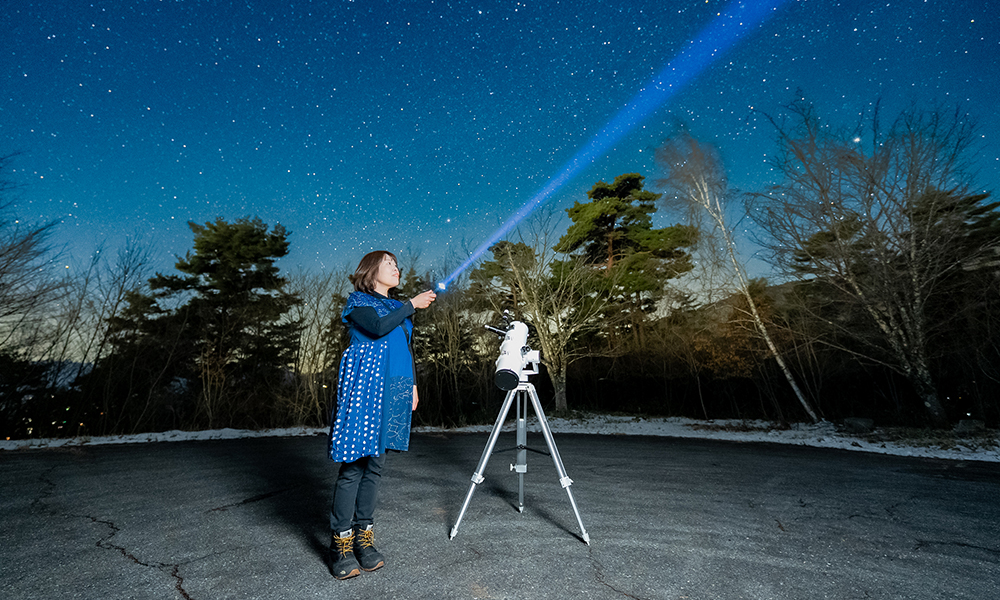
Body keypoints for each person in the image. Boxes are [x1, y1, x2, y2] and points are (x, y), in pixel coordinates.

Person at [326, 250, 436, 580]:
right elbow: (375, 328)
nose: (396, 269)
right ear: (371, 271)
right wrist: (411, 304)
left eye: (397, 265)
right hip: (367, 386)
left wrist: (412, 386)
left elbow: (404, 348)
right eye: (389, 264)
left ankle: (364, 538)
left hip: (396, 387)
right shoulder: (360, 301)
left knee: (376, 465)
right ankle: (340, 544)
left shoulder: (400, 311)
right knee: (355, 466)